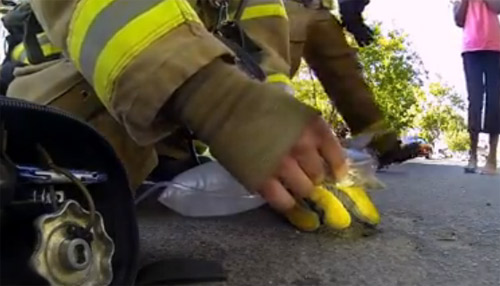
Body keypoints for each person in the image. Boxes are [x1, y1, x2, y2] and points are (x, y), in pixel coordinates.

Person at [4, 0, 379, 232]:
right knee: (46, 208)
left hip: (166, 116)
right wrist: (219, 101)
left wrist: (280, 137)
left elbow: (263, 52)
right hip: (75, 85)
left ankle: (166, 153)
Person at [284, 0, 426, 168]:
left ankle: (381, 143)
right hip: (279, 4)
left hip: (318, 6)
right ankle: (257, 136)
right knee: (277, 66)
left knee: (343, 67)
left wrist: (352, 13)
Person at [454, 0, 500, 174]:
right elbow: (458, 20)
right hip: (471, 49)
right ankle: (472, 155)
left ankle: (492, 158)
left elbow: (497, 7)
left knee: (494, 100)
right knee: (474, 100)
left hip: (495, 48)